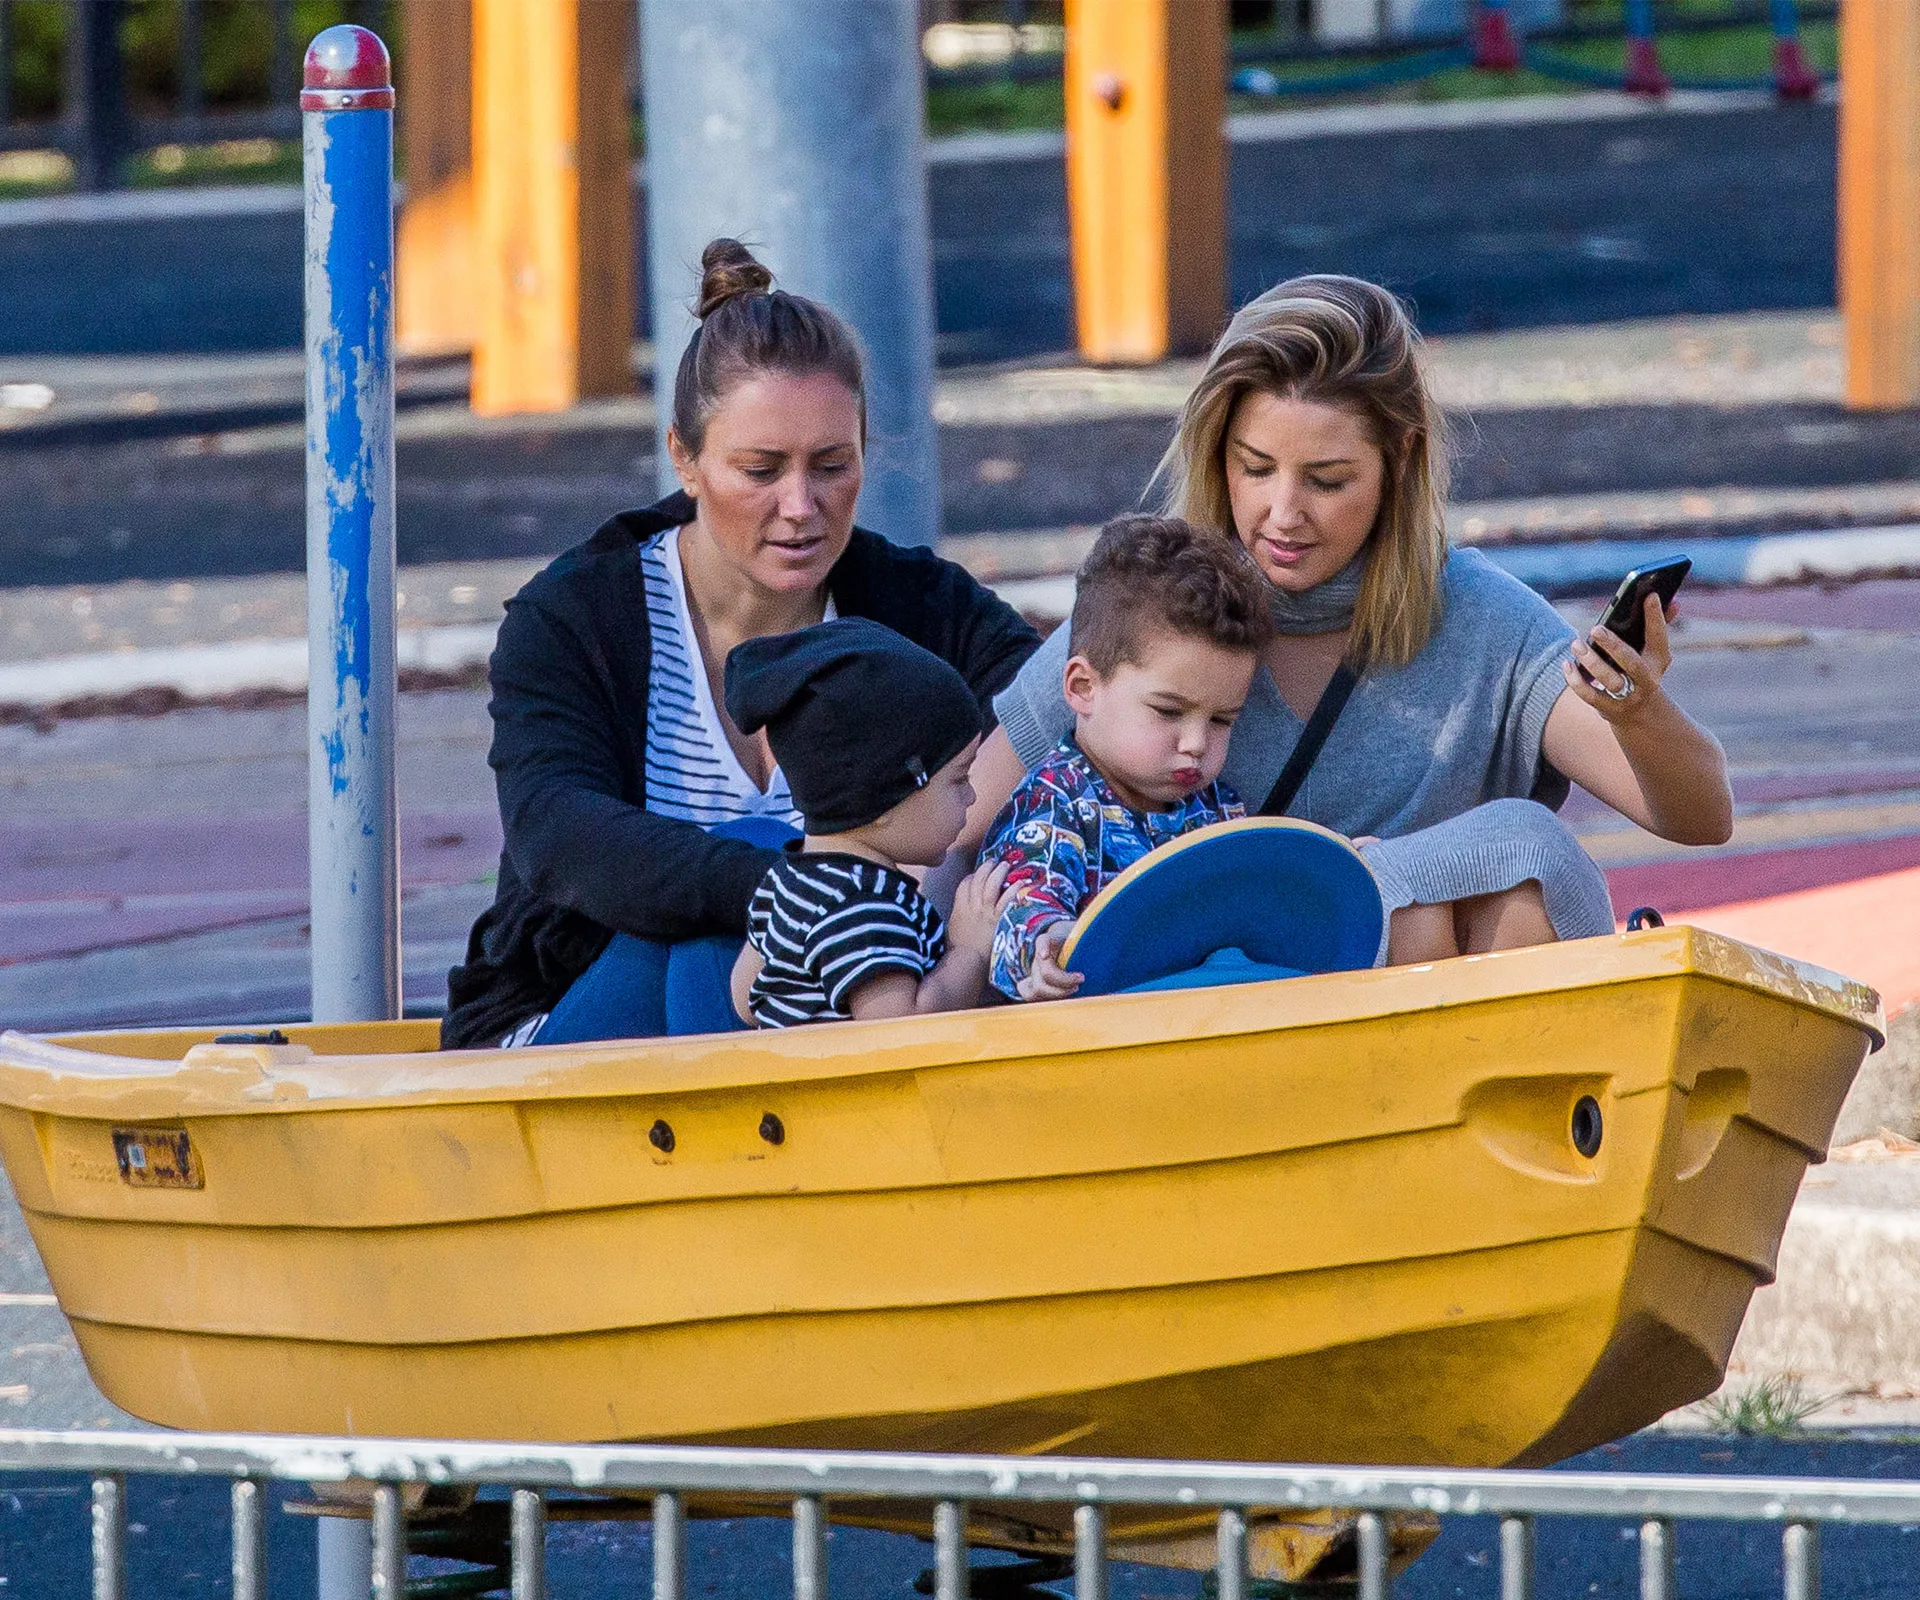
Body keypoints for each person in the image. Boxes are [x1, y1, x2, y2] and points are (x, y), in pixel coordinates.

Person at [953, 275, 1733, 963]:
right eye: (1254, 468)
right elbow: (950, 836)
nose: (1280, 514)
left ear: (1400, 460)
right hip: (1174, 1058)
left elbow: (1700, 818)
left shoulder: (1480, 617)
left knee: (1522, 853)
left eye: (1326, 480)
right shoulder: (1152, 612)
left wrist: (1639, 710)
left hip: (1437, 1065)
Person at [441, 240, 1039, 1050]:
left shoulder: (920, 607)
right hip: (566, 1033)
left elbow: (1060, 701)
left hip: (839, 1048)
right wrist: (797, 888)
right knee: (732, 910)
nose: (802, 505)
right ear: (684, 459)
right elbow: (559, 834)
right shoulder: (577, 618)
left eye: (832, 465)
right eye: (761, 471)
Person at [981, 514, 1272, 1001]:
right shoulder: (1055, 804)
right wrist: (1045, 944)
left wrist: (1329, 863)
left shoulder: (1216, 807)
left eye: (1222, 720)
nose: (1196, 743)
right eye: (1168, 711)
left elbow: (1258, 893)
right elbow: (1025, 896)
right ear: (1083, 687)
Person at [723, 619, 1012, 1027]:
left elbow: (746, 999)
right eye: (959, 779)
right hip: (862, 1092)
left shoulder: (790, 879)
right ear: (889, 792)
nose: (973, 795)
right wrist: (970, 953)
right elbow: (899, 1029)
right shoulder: (864, 904)